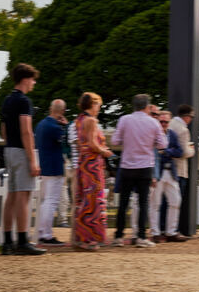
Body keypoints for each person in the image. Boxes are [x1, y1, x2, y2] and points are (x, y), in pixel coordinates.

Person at [0, 63, 45, 256]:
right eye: (33, 79)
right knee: (23, 196)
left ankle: (8, 241)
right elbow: (26, 130)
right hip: (21, 150)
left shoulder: (7, 100)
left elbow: (3, 130)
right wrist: (32, 159)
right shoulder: (24, 101)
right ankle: (23, 240)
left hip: (9, 149)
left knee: (11, 195)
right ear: (26, 79)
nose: (34, 83)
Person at [111, 94, 167, 248]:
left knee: (123, 203)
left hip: (127, 166)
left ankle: (118, 236)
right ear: (147, 107)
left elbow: (115, 141)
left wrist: (126, 140)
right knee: (143, 203)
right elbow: (163, 144)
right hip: (145, 166)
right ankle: (141, 236)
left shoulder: (124, 120)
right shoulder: (153, 123)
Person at [72, 92, 113, 251]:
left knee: (86, 199)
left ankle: (85, 236)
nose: (99, 108)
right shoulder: (90, 120)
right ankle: (87, 238)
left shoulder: (79, 120)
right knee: (92, 201)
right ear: (92, 104)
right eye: (98, 105)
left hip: (85, 163)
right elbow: (92, 144)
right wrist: (105, 151)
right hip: (92, 165)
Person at [35, 99, 68, 246]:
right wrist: (65, 126)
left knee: (46, 201)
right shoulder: (55, 127)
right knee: (52, 201)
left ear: (50, 108)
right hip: (54, 167)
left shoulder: (41, 125)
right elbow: (65, 143)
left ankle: (42, 231)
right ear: (62, 111)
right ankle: (47, 234)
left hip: (44, 166)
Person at [150, 110, 185, 242]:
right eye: (161, 121)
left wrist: (166, 151)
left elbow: (179, 151)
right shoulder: (153, 134)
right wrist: (166, 153)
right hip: (158, 172)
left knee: (175, 200)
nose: (164, 123)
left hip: (170, 172)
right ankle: (155, 232)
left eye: (166, 122)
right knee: (155, 203)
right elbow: (153, 153)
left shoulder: (172, 134)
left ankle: (171, 231)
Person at [169, 104, 196, 238]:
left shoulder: (170, 123)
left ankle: (165, 229)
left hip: (167, 167)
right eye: (191, 117)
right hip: (179, 169)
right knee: (176, 202)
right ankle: (175, 230)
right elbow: (184, 152)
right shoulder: (183, 130)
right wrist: (192, 150)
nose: (191, 119)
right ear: (186, 116)